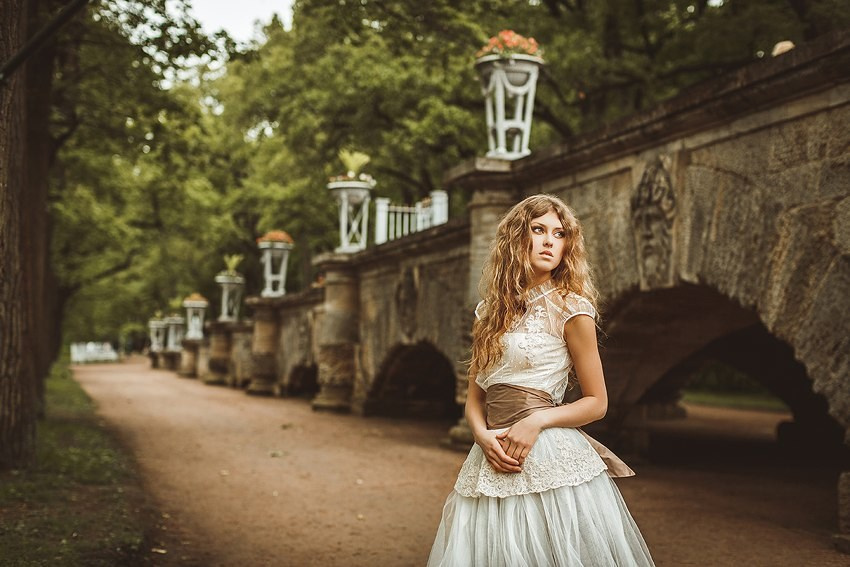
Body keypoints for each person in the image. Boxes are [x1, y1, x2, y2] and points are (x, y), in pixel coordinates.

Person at [428, 194, 654, 566]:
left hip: (547, 452)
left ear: (567, 246)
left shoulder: (571, 308)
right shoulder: (488, 313)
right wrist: (482, 436)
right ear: (517, 237)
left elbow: (597, 403)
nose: (549, 241)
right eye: (538, 230)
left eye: (559, 234)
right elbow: (475, 399)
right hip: (492, 453)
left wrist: (536, 421)